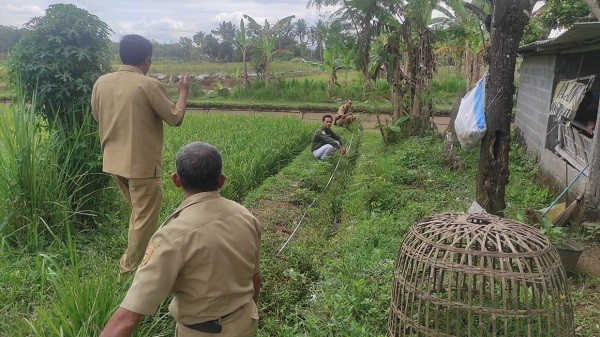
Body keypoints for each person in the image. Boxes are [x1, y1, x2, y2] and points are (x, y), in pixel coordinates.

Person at [100, 142, 262, 337]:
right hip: (246, 323)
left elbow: (128, 319)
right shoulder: (246, 216)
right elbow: (255, 279)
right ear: (221, 180)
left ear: (176, 180)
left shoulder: (171, 236)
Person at [91, 34, 192, 275]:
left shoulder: (101, 83)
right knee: (142, 220)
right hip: (141, 167)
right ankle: (130, 271)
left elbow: (97, 116)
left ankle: (149, 257)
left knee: (139, 215)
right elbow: (175, 117)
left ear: (121, 56)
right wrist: (183, 90)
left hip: (113, 161)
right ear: (147, 60)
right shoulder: (147, 84)